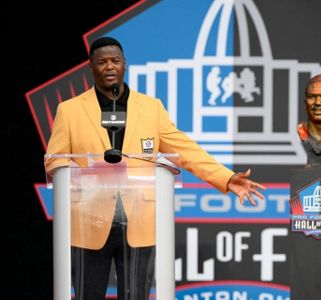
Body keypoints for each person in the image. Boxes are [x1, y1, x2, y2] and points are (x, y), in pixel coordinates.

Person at [45, 36, 265, 300]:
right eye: (102, 62)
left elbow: (185, 149)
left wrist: (227, 178)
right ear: (91, 67)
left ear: (125, 64)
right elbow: (54, 159)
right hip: (89, 222)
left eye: (115, 61)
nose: (109, 67)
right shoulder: (69, 111)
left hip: (139, 222)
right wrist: (87, 175)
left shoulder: (150, 108)